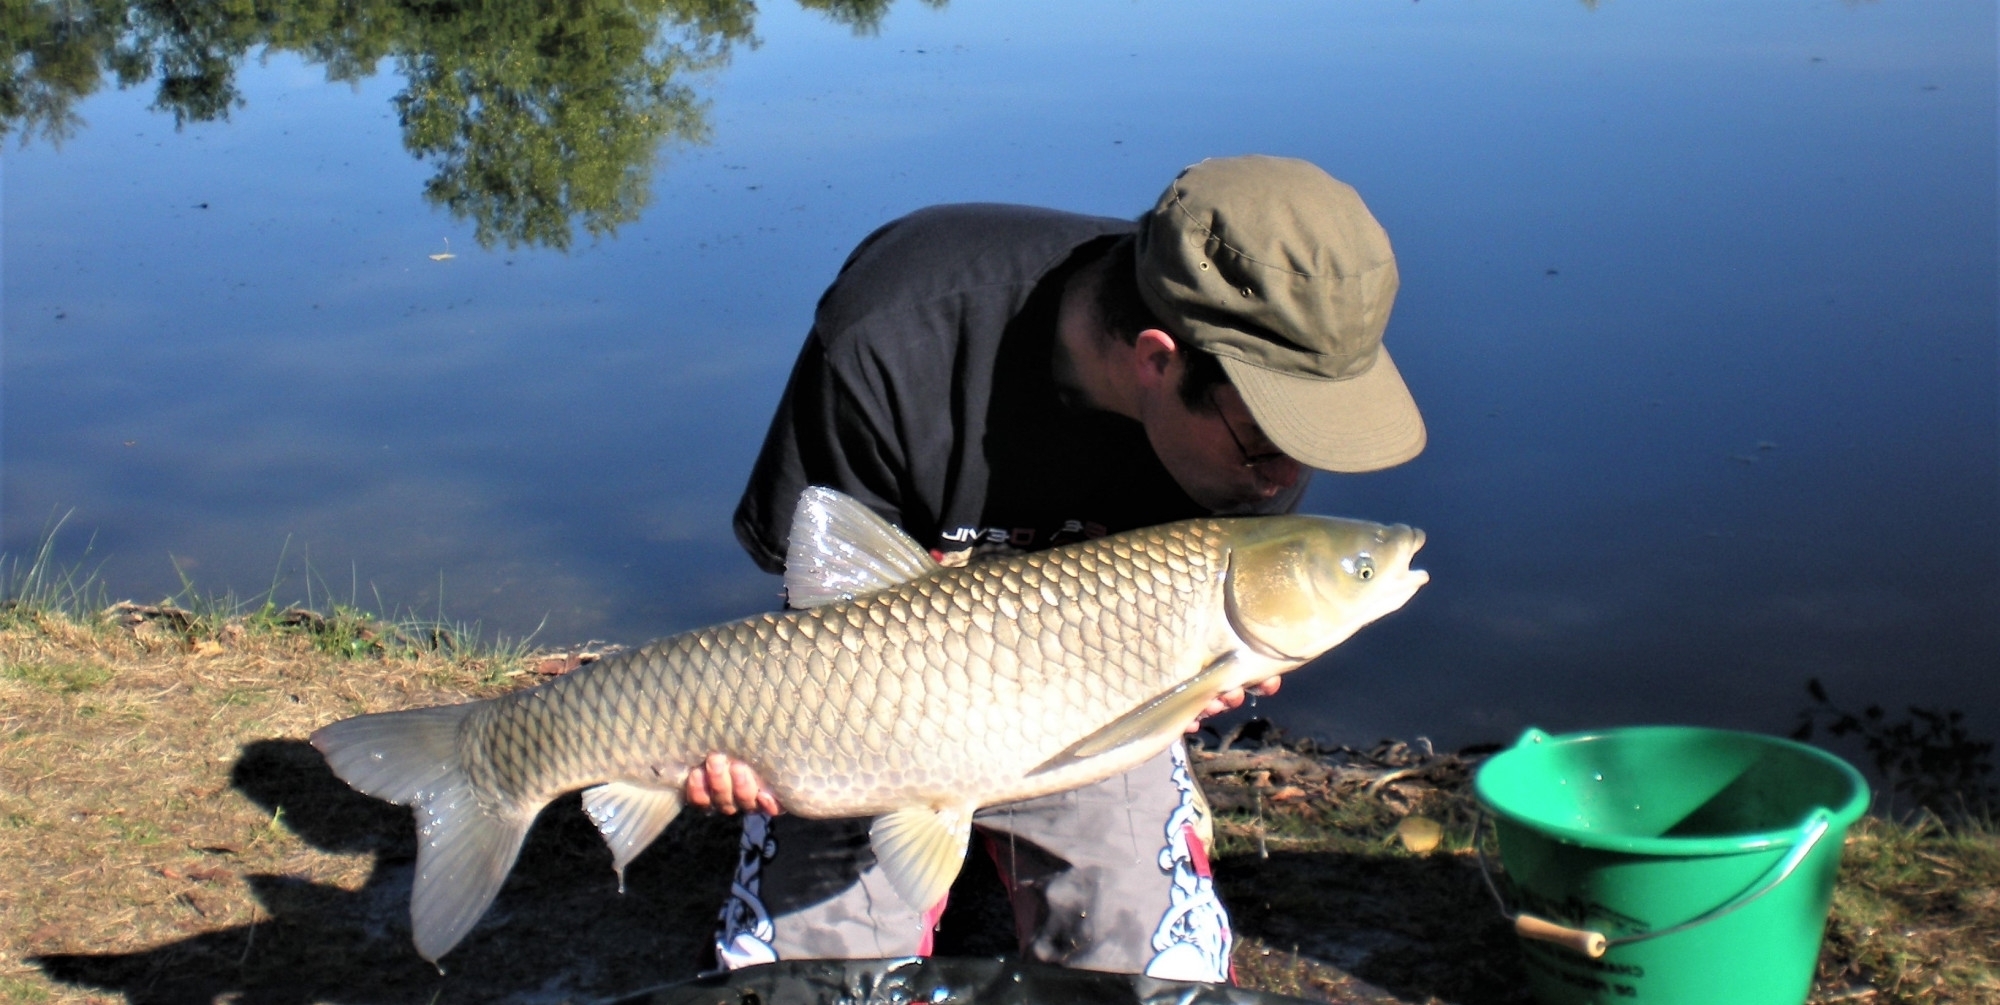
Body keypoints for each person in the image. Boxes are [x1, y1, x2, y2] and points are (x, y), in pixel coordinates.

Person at [687, 155, 1424, 981]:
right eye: (1266, 443)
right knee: (802, 983)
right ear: (1156, 358)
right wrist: (745, 742)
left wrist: (1217, 675)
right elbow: (824, 597)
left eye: (1308, 440)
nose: (1285, 478)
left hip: (1089, 708)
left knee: (1156, 972)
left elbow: (1222, 640)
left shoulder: (1257, 414)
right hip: (868, 709)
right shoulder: (892, 334)